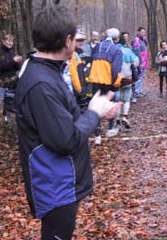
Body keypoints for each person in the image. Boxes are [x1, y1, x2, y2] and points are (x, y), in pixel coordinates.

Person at [15, 5, 119, 239]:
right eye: (75, 39)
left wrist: (98, 111)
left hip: (61, 181)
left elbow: (64, 120)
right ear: (67, 41)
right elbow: (66, 139)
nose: (77, 44)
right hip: (54, 185)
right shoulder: (41, 84)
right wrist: (93, 113)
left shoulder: (48, 72)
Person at [88, 27, 124, 145]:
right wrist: (115, 84)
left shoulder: (96, 46)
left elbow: (91, 61)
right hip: (108, 81)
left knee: (95, 105)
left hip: (94, 80)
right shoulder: (116, 50)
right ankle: (110, 128)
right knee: (110, 105)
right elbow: (116, 69)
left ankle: (97, 134)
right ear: (116, 38)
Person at [106, 32, 140, 137]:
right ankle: (124, 116)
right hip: (128, 78)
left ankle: (116, 119)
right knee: (126, 99)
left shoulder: (111, 50)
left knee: (117, 99)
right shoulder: (128, 51)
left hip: (115, 78)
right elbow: (136, 61)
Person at [132, 27, 149, 102]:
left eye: (144, 32)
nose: (143, 33)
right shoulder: (136, 40)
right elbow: (136, 52)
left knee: (141, 77)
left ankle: (139, 90)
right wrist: (139, 63)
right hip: (140, 62)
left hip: (144, 62)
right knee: (138, 77)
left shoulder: (144, 40)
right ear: (138, 32)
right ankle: (136, 92)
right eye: (142, 32)